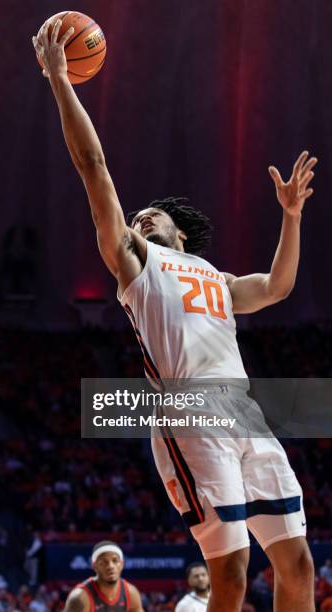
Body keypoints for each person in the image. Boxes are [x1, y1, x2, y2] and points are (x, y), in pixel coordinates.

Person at [33, 18, 316, 612]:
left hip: (245, 408)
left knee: (297, 564)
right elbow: (94, 168)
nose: (138, 222)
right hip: (188, 408)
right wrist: (62, 81)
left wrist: (290, 218)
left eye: (149, 216)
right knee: (232, 574)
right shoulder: (136, 262)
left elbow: (278, 287)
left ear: (179, 229)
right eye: (133, 219)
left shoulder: (216, 276)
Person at [63, 541, 143, 611]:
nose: (110, 566)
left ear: (122, 564)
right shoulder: (80, 597)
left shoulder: (131, 593)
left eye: (115, 561)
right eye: (104, 562)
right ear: (94, 566)